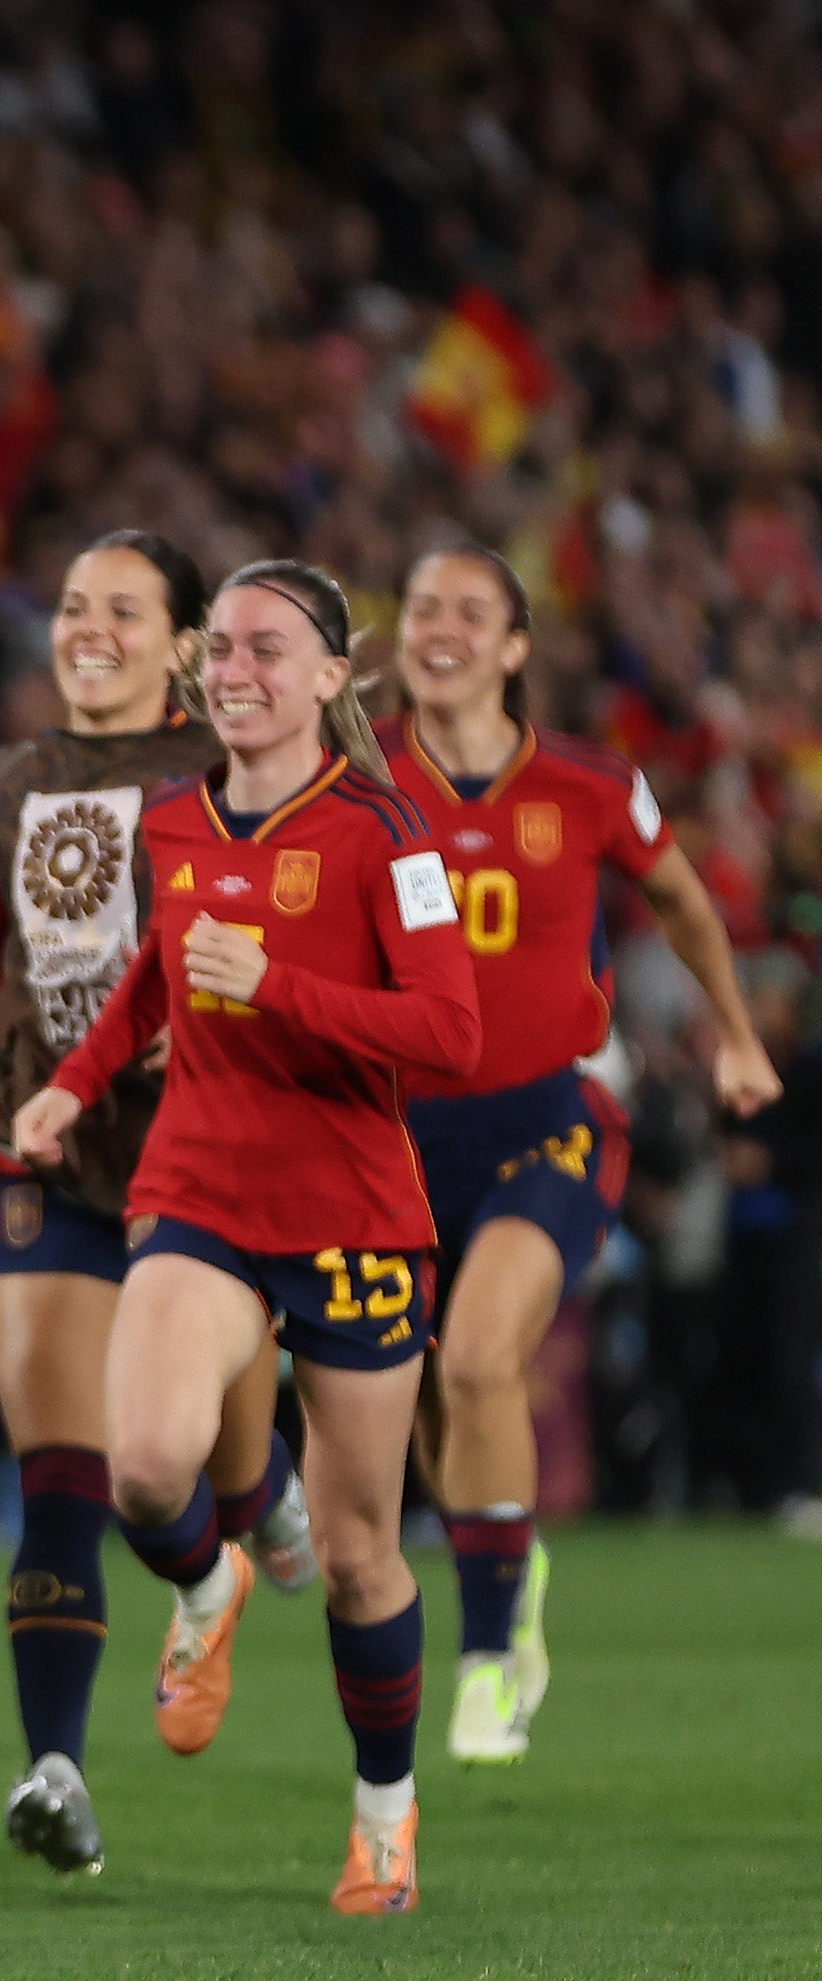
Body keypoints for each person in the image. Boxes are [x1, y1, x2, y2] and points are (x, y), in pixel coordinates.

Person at [0, 532, 315, 1877]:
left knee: (194, 1456)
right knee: (60, 1473)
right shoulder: (16, 781)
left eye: (122, 609)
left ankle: (255, 1500)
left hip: (201, 1154)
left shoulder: (222, 780)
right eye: (73, 606)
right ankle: (55, 1768)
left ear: (183, 641)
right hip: (45, 1149)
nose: (86, 628)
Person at [9, 560, 479, 1915]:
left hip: (353, 1216)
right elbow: (159, 969)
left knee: (353, 1553)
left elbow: (448, 1033)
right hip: (201, 1193)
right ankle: (206, 1580)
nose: (234, 668)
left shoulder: (387, 836)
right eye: (219, 647)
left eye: (268, 649)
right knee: (146, 1466)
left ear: (334, 677)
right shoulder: (173, 819)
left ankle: (382, 1813)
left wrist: (282, 988)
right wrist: (75, 1080)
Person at [379, 546, 784, 1763]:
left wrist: (738, 1038)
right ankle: (509, 1565)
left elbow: (684, 900)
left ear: (514, 648)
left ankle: (493, 1651)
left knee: (483, 1360)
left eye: (470, 611)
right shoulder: (352, 780)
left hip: (542, 1119)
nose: (439, 626)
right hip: (390, 1135)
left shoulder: (591, 782)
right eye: (422, 607)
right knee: (434, 1394)